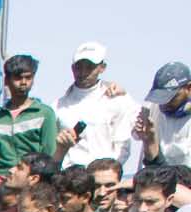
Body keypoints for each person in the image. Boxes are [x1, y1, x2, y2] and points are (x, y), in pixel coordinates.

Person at [54, 42, 137, 170]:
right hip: (68, 178)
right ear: (72, 68)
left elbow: (123, 146)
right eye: (78, 67)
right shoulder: (57, 106)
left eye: (89, 67)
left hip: (103, 178)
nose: (83, 72)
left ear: (102, 68)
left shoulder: (118, 99)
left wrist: (109, 174)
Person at [0, 55, 61, 178]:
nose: (23, 83)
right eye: (18, 78)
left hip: (29, 181)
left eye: (28, 78)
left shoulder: (44, 113)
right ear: (6, 80)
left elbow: (49, 155)